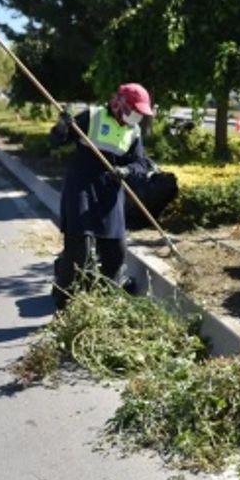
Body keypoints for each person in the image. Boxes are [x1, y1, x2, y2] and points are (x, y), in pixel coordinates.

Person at [49, 83, 154, 310]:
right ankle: (64, 299)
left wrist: (126, 171)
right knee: (80, 250)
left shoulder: (133, 132)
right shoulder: (93, 116)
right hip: (81, 189)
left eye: (140, 113)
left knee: (115, 252)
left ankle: (107, 303)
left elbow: (141, 164)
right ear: (121, 105)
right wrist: (62, 127)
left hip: (110, 194)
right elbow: (56, 141)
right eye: (135, 110)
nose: (137, 117)